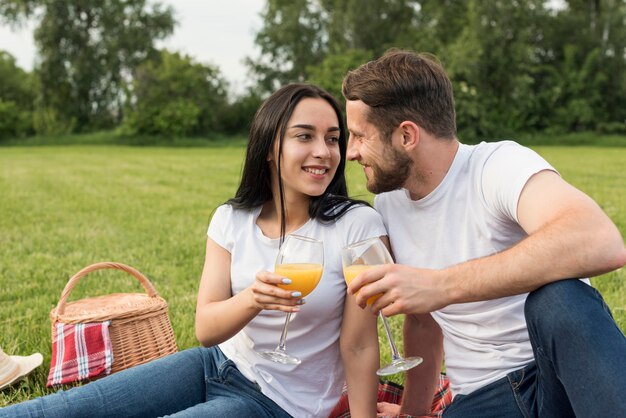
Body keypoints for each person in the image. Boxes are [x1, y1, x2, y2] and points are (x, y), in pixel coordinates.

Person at [0, 83, 385, 418]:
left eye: (333, 138)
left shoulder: (356, 227)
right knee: (66, 409)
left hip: (279, 404)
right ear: (270, 147)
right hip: (214, 363)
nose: (324, 151)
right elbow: (206, 329)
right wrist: (253, 298)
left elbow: (360, 344)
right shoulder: (231, 219)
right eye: (305, 136)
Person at [342, 49, 626, 418]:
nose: (350, 152)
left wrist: (441, 285)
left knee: (558, 298)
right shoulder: (391, 205)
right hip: (483, 398)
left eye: (359, 136)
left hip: (563, 376)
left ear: (407, 135)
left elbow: (598, 240)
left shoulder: (497, 166)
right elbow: (424, 322)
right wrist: (413, 413)